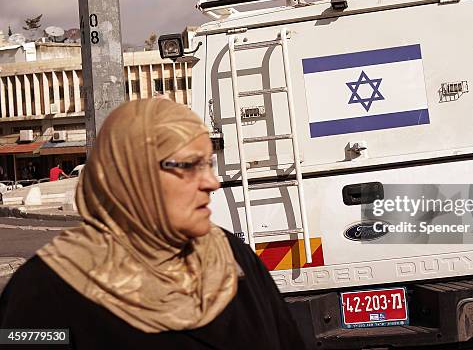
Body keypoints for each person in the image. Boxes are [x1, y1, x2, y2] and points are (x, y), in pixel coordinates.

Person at [0, 99, 305, 350]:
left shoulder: (232, 258)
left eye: (208, 164)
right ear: (132, 173)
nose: (212, 182)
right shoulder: (42, 292)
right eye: (189, 166)